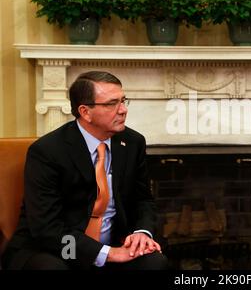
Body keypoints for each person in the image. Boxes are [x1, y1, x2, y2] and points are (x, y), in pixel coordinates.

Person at [1, 71, 168, 270]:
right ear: (85, 112)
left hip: (114, 242)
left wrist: (142, 233)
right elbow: (47, 229)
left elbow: (143, 200)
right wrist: (107, 254)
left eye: (123, 101)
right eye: (111, 103)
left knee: (155, 263)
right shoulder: (47, 152)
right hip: (56, 247)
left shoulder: (133, 142)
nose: (123, 110)